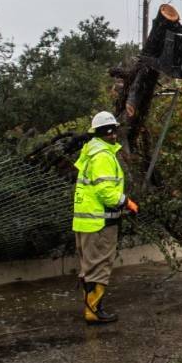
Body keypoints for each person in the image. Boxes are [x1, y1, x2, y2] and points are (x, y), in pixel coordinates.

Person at [73, 110, 139, 324]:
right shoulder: (102, 155)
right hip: (99, 223)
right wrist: (126, 202)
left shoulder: (91, 152)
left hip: (86, 220)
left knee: (89, 267)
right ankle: (93, 310)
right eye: (111, 131)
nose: (114, 135)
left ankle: (91, 308)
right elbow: (105, 191)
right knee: (99, 266)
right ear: (105, 132)